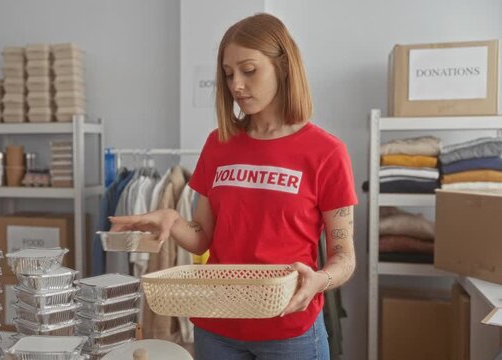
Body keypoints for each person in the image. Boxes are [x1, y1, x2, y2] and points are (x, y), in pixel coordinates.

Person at [110, 12, 357, 360]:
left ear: (283, 66)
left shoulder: (327, 153)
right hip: (217, 328)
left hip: (289, 331)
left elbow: (344, 258)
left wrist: (320, 280)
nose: (236, 85)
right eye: (228, 75)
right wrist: (172, 220)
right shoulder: (219, 144)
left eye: (249, 70)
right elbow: (202, 238)